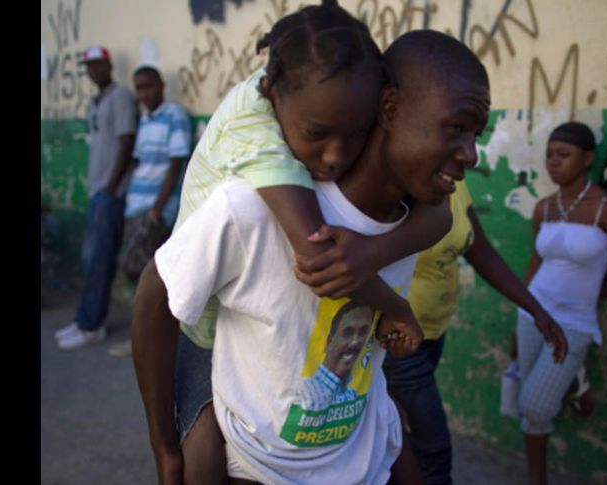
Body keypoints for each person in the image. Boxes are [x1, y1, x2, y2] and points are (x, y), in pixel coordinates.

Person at [132, 28, 495, 484]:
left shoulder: (415, 213)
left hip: (353, 448)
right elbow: (159, 292)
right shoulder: (256, 195)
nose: (473, 154)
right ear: (390, 109)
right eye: (456, 128)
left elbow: (438, 220)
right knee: (198, 453)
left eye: (476, 134)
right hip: (231, 395)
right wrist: (164, 447)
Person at [318, 176, 564, 485]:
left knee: (401, 437)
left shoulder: (454, 184)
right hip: (396, 339)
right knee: (433, 449)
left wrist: (535, 309)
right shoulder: (390, 188)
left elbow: (481, 251)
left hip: (433, 333)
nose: (470, 155)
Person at [517, 121, 607, 485]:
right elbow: (535, 265)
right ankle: (537, 479)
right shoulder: (544, 208)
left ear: (587, 159)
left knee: (533, 406)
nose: (554, 162)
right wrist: (519, 312)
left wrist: (584, 296)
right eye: (550, 154)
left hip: (573, 321)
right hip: (533, 314)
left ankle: (575, 379)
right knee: (531, 405)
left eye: (563, 155)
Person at [56, 45, 138, 350]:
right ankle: (85, 320)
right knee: (91, 260)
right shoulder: (96, 101)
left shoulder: (120, 98)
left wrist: (110, 186)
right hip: (98, 191)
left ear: (108, 65)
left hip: (111, 193)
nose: (93, 71)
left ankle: (91, 325)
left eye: (97, 65)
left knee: (99, 260)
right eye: (88, 67)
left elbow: (126, 141)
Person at [108, 65, 192, 358]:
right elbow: (140, 163)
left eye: (149, 87)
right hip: (136, 203)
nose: (145, 93)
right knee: (141, 274)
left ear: (161, 86)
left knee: (144, 271)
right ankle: (149, 336)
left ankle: (158, 337)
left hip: (155, 208)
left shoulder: (174, 116)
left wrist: (158, 208)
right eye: (140, 88)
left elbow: (176, 163)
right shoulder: (144, 119)